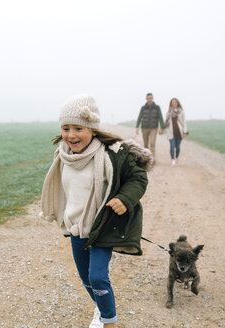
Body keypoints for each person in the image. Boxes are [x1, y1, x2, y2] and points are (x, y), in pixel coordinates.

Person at [40, 94, 152, 328]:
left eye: (78, 128)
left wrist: (124, 198)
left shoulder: (113, 152)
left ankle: (109, 322)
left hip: (102, 226)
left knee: (97, 276)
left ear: (92, 128)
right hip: (76, 226)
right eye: (66, 128)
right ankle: (101, 309)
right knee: (85, 278)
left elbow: (138, 177)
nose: (71, 135)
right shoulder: (63, 155)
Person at [135, 93, 165, 159]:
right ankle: (146, 158)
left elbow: (160, 117)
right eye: (148, 98)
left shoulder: (157, 107)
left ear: (152, 98)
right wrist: (137, 127)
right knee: (145, 145)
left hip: (153, 128)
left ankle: (152, 159)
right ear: (146, 99)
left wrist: (162, 128)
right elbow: (139, 117)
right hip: (144, 128)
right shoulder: (143, 108)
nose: (149, 99)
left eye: (151, 98)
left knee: (152, 143)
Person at [164, 98, 188, 165]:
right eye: (172, 102)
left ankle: (176, 157)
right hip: (171, 132)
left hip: (179, 131)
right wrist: (163, 129)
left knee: (177, 147)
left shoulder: (181, 112)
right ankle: (173, 159)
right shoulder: (168, 112)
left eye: (175, 102)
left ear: (177, 103)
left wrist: (185, 132)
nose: (174, 103)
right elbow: (165, 122)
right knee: (172, 146)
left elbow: (184, 122)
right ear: (171, 104)